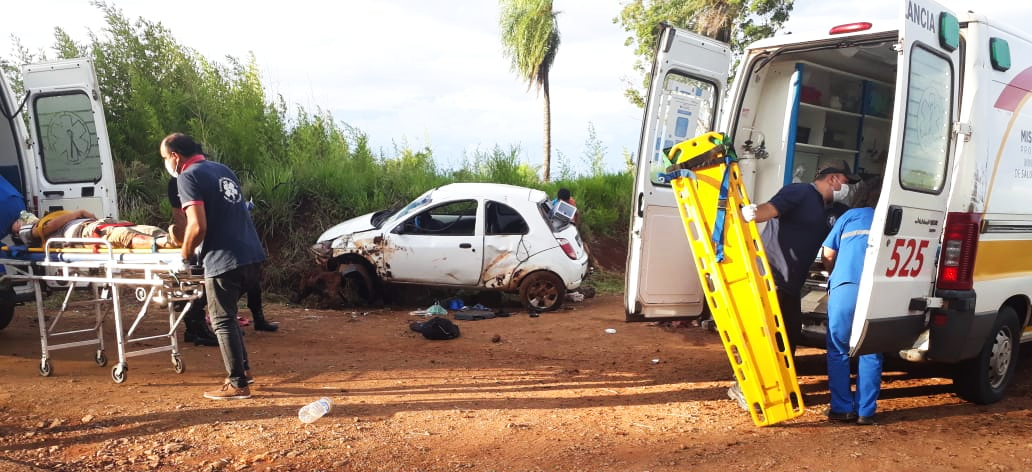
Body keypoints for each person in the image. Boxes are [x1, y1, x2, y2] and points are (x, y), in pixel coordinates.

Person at [727, 160, 858, 409]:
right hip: (770, 277)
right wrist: (753, 212)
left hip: (791, 283)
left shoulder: (833, 210)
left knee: (788, 335)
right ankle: (744, 386)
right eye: (846, 181)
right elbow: (770, 209)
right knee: (763, 334)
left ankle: (781, 387)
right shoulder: (799, 192)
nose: (847, 187)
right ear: (832, 179)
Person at [161, 132, 265, 400]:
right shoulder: (223, 170)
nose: (167, 164)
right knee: (228, 316)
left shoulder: (188, 177)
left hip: (224, 258)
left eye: (165, 158)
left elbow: (197, 225)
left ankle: (238, 383)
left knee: (221, 320)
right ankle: (243, 371)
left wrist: (184, 257)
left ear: (175, 156)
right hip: (252, 254)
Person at [168, 178, 279, 338]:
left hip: (220, 234)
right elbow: (180, 216)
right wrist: (188, 244)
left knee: (251, 276)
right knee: (207, 283)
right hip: (200, 236)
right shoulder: (178, 184)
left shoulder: (209, 178)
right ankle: (196, 326)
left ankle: (257, 319)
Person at [820, 177, 883, 426]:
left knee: (838, 348)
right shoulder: (888, 219)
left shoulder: (850, 216)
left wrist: (835, 271)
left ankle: (842, 409)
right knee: (871, 349)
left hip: (845, 286)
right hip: (876, 291)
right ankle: (866, 412)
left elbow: (828, 253)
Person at [11, 209, 176, 249]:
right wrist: (78, 213)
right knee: (123, 235)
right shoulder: (26, 232)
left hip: (95, 226)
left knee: (145, 229)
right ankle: (164, 243)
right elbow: (50, 227)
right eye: (17, 222)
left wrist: (81, 215)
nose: (22, 218)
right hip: (84, 234)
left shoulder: (47, 218)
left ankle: (173, 239)